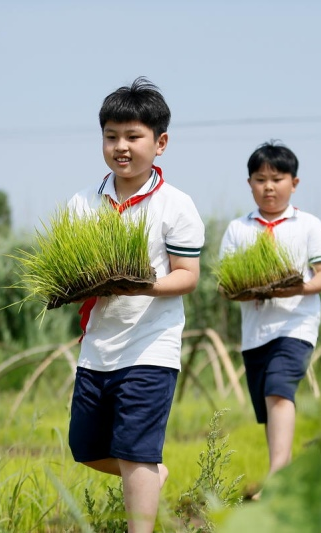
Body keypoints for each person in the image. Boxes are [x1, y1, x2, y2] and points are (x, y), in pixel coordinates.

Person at [66, 77, 205, 533]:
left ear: (160, 143)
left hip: (151, 346)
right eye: (111, 136)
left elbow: (187, 276)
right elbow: (71, 269)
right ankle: (151, 475)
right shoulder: (83, 203)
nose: (120, 147)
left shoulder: (175, 205)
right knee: (86, 448)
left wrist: (137, 287)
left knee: (135, 451)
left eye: (133, 136)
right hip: (97, 347)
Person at [219, 141, 321, 493]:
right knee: (269, 405)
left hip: (296, 325)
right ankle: (283, 470)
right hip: (255, 332)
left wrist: (297, 289)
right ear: (250, 183)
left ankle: (278, 475)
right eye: (260, 179)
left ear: (294, 183)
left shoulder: (308, 225)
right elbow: (225, 283)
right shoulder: (238, 229)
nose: (268, 186)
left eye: (277, 178)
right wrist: (247, 288)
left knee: (280, 391)